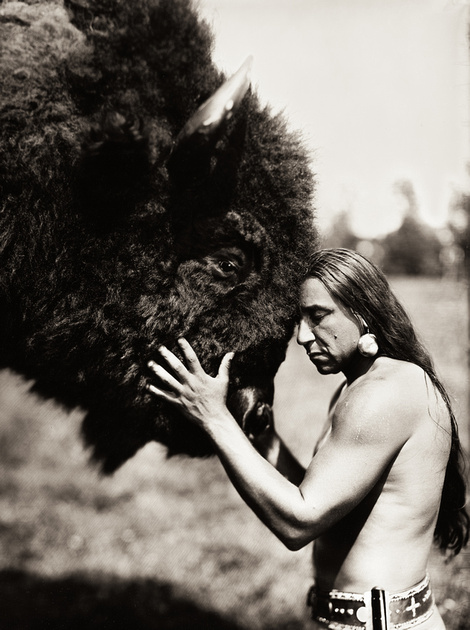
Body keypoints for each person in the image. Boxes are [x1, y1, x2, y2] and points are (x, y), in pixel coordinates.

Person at [146, 247, 469, 630]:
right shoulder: (359, 387)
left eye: (317, 316)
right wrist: (267, 443)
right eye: (297, 320)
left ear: (363, 312)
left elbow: (299, 522)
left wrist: (214, 418)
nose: (301, 336)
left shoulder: (386, 392)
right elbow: (324, 497)